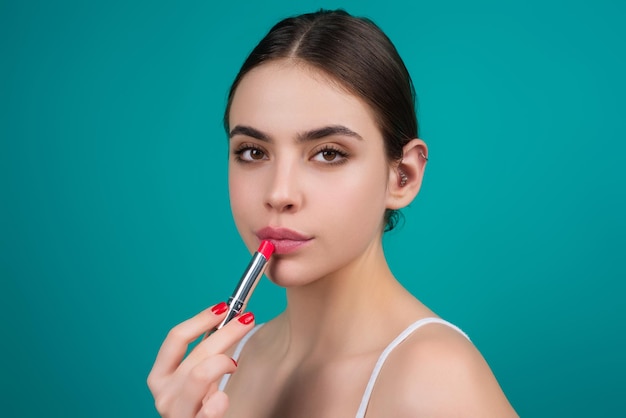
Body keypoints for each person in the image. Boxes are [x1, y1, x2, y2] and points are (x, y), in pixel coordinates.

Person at [147, 9, 518, 417]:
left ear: (403, 177)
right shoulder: (222, 365)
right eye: (253, 152)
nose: (279, 193)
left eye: (328, 153)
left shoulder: (434, 378)